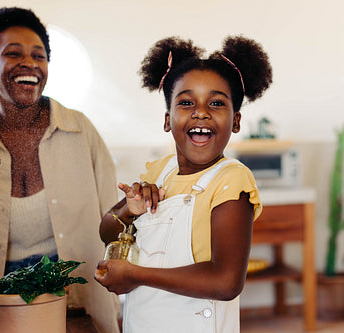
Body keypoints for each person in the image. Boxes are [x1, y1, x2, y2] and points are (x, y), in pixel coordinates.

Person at [0, 7, 120, 333]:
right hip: (1, 303)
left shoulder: (80, 131)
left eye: (39, 56)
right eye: (13, 53)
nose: (29, 63)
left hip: (80, 297)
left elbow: (112, 221)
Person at [95, 36, 273, 332]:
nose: (200, 112)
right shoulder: (160, 171)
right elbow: (105, 230)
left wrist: (137, 275)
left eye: (216, 103)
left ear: (236, 121)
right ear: (168, 119)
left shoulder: (231, 179)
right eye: (186, 102)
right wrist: (130, 210)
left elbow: (226, 281)